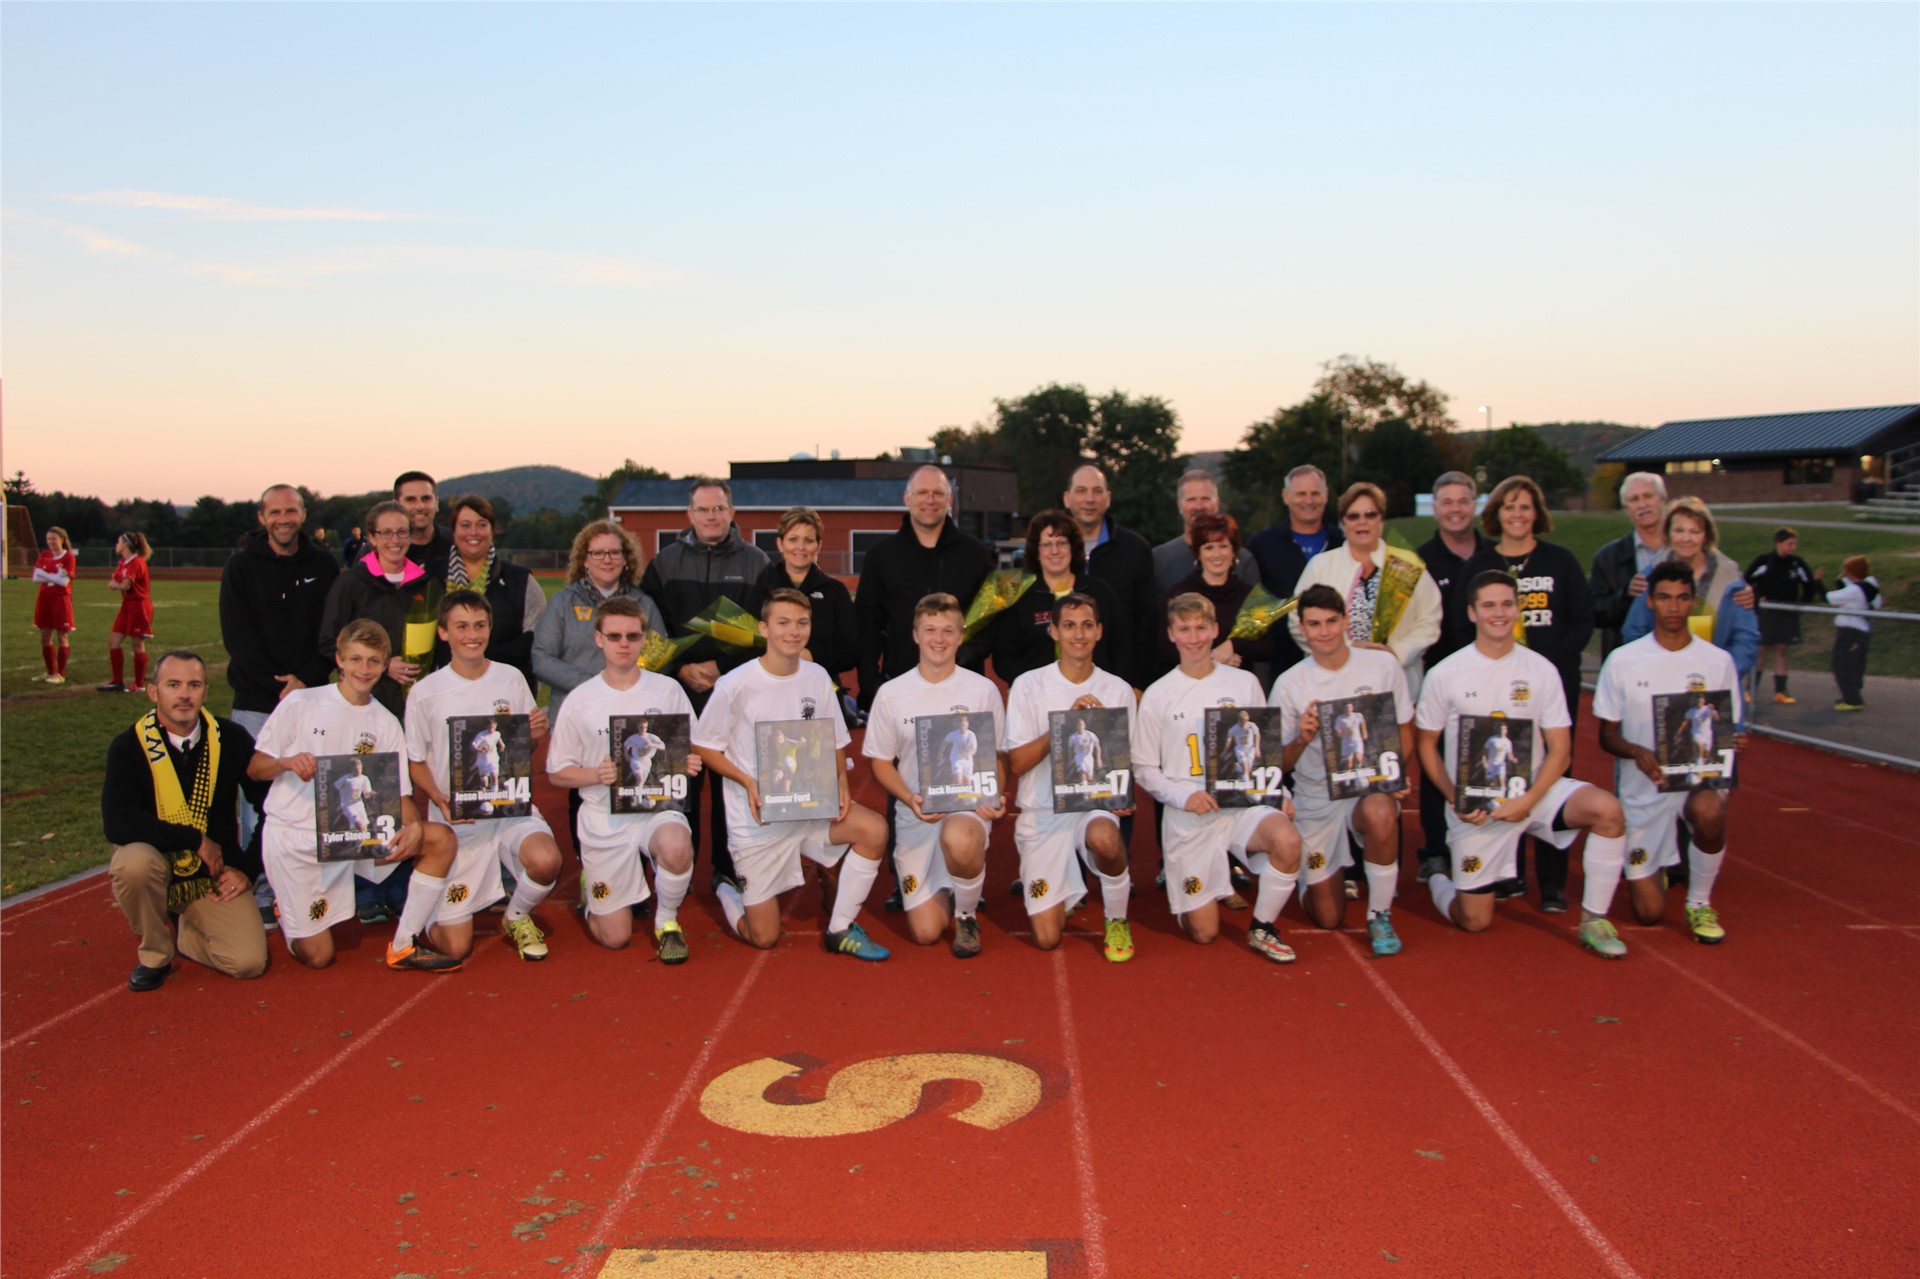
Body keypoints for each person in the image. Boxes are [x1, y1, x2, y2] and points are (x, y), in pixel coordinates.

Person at [1417, 572, 1629, 951]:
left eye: (1506, 604)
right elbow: (1427, 744)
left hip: (1533, 793)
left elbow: (1560, 749)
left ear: (1519, 609)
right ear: (1472, 612)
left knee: (1608, 810)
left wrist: (1527, 801)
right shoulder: (1444, 673)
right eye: (1489, 605)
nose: (1499, 613)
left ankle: (1595, 920)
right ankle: (1438, 878)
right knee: (1475, 921)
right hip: (1476, 806)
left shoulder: (1541, 670)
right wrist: (1454, 796)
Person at [248, 620, 461, 972]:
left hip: (353, 835)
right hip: (298, 837)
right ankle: (287, 909)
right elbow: (255, 767)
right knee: (318, 957)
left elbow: (401, 795)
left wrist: (414, 827)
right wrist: (285, 763)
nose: (364, 669)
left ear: (384, 663)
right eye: (356, 659)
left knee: (438, 839)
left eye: (374, 661)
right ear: (340, 660)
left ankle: (405, 943)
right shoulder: (302, 703)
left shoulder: (386, 722)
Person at [692, 587, 893, 959]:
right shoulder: (735, 684)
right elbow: (704, 745)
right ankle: (726, 888)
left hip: (809, 807)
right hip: (760, 820)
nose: (793, 631)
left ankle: (840, 928)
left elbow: (834, 737)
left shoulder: (817, 676)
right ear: (764, 628)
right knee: (764, 937)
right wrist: (748, 781)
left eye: (802, 623)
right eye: (783, 623)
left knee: (874, 829)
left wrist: (842, 782)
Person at [1445, 475, 1595, 913]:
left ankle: (1551, 882)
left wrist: (1542, 661)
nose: (1517, 514)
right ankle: (1503, 873)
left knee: (1550, 775)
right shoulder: (1480, 564)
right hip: (1493, 694)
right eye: (1509, 506)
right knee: (1495, 775)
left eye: (1525, 507)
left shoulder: (1560, 561)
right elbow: (1460, 623)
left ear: (1537, 513)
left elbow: (1582, 620)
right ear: (1497, 513)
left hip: (1547, 688)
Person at [1138, 593, 1303, 958]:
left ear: (1215, 630)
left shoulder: (1243, 684)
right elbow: (1144, 768)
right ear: (1171, 634)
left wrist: (1280, 794)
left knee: (1288, 840)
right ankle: (1199, 887)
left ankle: (1263, 927)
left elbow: (1262, 753)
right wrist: (1184, 797)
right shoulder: (1159, 694)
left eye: (1201, 628)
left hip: (1242, 804)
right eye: (1185, 629)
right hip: (1191, 814)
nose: (1194, 637)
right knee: (1204, 933)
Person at [1592, 560, 1746, 948]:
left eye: (1681, 598)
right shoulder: (1624, 660)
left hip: (1698, 780)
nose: (1673, 607)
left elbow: (1729, 728)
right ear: (1650, 602)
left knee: (1711, 810)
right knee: (1649, 914)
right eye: (1664, 598)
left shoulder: (1717, 662)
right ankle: (1653, 868)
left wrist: (1735, 741)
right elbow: (1606, 736)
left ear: (1693, 602)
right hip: (1645, 789)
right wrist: (1637, 751)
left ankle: (1699, 902)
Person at [406, 590, 562, 962]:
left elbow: (524, 752)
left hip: (509, 807)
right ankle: (430, 913)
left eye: (479, 625)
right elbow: (414, 761)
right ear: (443, 632)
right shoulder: (424, 693)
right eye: (461, 626)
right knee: (456, 948)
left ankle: (517, 916)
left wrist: (534, 736)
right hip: (459, 817)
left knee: (547, 860)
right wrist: (439, 799)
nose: (471, 634)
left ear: (490, 628)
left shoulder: (511, 679)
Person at [547, 597, 703, 962]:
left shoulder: (667, 690)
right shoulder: (580, 700)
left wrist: (689, 760)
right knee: (614, 937)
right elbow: (556, 772)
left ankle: (667, 923)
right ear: (598, 639)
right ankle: (593, 893)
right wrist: (594, 775)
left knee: (677, 845)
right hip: (605, 816)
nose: (623, 644)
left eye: (632, 636)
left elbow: (689, 743)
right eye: (614, 635)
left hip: (656, 808)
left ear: (644, 639)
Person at [103, 650, 270, 989]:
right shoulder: (128, 746)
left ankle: (185, 935)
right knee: (132, 863)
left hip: (212, 873)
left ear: (205, 692)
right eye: (173, 684)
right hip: (157, 867)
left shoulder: (231, 739)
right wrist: (194, 840)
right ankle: (156, 953)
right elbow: (117, 822)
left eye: (194, 685)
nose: (184, 695)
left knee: (248, 962)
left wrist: (248, 870)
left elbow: (273, 806)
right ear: (154, 692)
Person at [1271, 585, 1414, 957]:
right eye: (1315, 624)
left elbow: (1405, 728)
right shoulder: (1290, 683)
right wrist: (1302, 737)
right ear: (1301, 628)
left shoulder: (1382, 666)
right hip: (1317, 795)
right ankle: (1311, 878)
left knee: (1382, 811)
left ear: (1346, 621)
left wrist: (1394, 772)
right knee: (1328, 916)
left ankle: (1380, 913)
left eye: (1332, 621)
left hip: (1366, 786)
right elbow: (1276, 763)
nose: (1324, 632)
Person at [641, 477, 771, 885]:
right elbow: (650, 628)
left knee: (730, 779)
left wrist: (720, 668)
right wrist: (678, 670)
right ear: (690, 515)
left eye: (719, 509)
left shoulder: (757, 563)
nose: (711, 516)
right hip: (680, 689)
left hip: (734, 689)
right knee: (681, 777)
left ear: (732, 513)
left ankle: (728, 868)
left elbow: (763, 631)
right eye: (703, 509)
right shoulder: (665, 562)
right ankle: (679, 867)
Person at [863, 592, 1007, 958]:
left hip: (966, 809)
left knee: (959, 837)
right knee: (926, 933)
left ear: (961, 636)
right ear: (915, 634)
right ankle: (952, 883)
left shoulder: (982, 690)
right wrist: (908, 798)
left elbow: (997, 757)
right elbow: (880, 761)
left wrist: (994, 795)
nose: (938, 639)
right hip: (917, 813)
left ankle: (967, 913)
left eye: (948, 630)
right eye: (930, 630)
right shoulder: (892, 693)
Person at [1002, 592, 1139, 960]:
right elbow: (1017, 764)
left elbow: (1126, 761)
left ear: (1099, 632)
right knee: (1047, 939)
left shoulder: (1118, 690)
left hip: (1090, 807)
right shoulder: (1028, 685)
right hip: (1042, 811)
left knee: (1106, 837)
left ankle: (1117, 920)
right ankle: (1060, 895)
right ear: (1054, 632)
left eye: (1087, 626)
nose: (1078, 634)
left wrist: (1122, 795)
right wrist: (1061, 724)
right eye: (1069, 625)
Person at [219, 483, 341, 876]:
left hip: (312, 698)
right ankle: (259, 883)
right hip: (257, 702)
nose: (283, 519)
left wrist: (304, 679)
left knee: (313, 792)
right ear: (262, 517)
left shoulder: (323, 566)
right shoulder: (240, 567)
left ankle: (312, 878)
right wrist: (280, 686)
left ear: (303, 514)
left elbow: (331, 634)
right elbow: (238, 638)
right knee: (259, 798)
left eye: (291, 511)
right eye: (275, 512)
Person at [854, 465, 995, 712]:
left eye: (938, 493)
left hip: (962, 689)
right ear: (907, 498)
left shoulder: (976, 555)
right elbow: (867, 622)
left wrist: (968, 654)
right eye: (922, 493)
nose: (930, 500)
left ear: (949, 499)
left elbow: (991, 620)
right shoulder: (881, 556)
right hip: (900, 686)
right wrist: (870, 681)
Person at [1287, 481, 1442, 697]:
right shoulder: (1320, 566)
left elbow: (1429, 620)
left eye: (1370, 514)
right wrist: (1346, 652)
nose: (1363, 522)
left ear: (1381, 519)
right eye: (1353, 516)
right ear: (1342, 523)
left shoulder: (1407, 565)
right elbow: (1297, 621)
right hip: (1333, 687)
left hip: (1397, 683)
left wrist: (1395, 654)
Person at [1413, 472, 1489, 882]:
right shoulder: (1420, 560)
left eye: (1463, 501)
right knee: (1436, 763)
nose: (1456, 509)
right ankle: (1435, 849)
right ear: (1435, 508)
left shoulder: (1494, 555)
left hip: (1491, 677)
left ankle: (1495, 842)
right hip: (1440, 679)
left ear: (1475, 504)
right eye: (1447, 502)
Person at [535, 520, 667, 724]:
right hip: (575, 713)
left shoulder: (644, 604)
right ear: (585, 560)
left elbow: (663, 658)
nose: (607, 559)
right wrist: (594, 685)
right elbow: (542, 659)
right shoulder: (563, 603)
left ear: (625, 559)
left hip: (632, 713)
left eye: (615, 552)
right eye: (598, 553)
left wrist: (629, 686)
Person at [1620, 497, 1759, 680]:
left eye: (1695, 531)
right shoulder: (1649, 576)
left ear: (1706, 535)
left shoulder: (1731, 581)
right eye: (1679, 530)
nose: (1686, 539)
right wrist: (1658, 670)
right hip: (1661, 681)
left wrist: (1724, 673)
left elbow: (1745, 638)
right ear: (1668, 533)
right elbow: (1634, 631)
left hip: (1717, 685)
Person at [317, 501, 434, 717]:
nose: (395, 540)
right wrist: (383, 664)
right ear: (372, 537)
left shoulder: (427, 583)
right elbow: (328, 641)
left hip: (419, 703)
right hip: (366, 702)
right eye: (386, 533)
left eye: (402, 532)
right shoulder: (352, 582)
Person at [991, 509, 1124, 686]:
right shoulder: (1019, 596)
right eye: (1046, 544)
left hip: (1096, 693)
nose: (1055, 551)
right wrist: (1034, 685)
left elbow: (1121, 646)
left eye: (1062, 543)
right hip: (1036, 696)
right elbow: (1004, 656)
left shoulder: (1099, 592)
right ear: (1036, 551)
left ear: (1073, 547)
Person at [430, 495, 547, 695]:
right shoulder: (431, 576)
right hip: (445, 692)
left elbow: (540, 638)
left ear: (493, 530)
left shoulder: (520, 580)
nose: (473, 532)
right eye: (465, 525)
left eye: (481, 524)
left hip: (505, 695)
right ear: (454, 530)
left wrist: (486, 656)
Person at [1064, 464, 1160, 691]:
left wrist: (1138, 683)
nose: (1090, 499)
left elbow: (1147, 623)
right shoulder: (1051, 551)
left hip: (1119, 683)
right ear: (1067, 498)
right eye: (1081, 491)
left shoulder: (1135, 549)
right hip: (1060, 682)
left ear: (1108, 498)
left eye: (1097, 491)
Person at [747, 506, 858, 703]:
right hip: (769, 692)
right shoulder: (762, 588)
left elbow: (850, 652)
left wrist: (812, 655)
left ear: (818, 545)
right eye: (793, 539)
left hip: (821, 694)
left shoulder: (835, 592)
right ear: (780, 544)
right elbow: (748, 642)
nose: (800, 547)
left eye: (808, 540)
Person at [1247, 465, 1344, 675]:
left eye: (1315, 493)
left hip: (1339, 660)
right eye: (1301, 494)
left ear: (1326, 496)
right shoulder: (1262, 545)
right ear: (1286, 496)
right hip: (1281, 664)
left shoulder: (1343, 543)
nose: (1309, 501)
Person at [1163, 513, 1272, 675]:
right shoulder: (1179, 594)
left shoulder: (1251, 596)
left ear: (1234, 551)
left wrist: (1233, 645)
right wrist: (1212, 659)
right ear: (1198, 553)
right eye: (1208, 547)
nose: (1217, 555)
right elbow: (1164, 649)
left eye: (1223, 546)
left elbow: (1268, 646)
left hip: (1239, 689)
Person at [1589, 471, 1671, 658]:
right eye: (1634, 499)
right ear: (1627, 510)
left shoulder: (1684, 549)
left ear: (1663, 499)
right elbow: (1594, 613)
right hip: (1628, 659)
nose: (1642, 504)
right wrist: (1625, 595)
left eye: (1648, 496)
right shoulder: (1607, 558)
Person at [1152, 468, 1258, 596]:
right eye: (1191, 500)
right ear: (1179, 506)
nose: (1199, 506)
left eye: (1205, 499)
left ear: (1217, 504)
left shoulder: (1243, 560)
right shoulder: (1159, 559)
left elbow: (1257, 613)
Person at [1745, 527, 1822, 704]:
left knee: (1781, 650)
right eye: (1789, 544)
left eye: (1794, 544)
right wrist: (1758, 598)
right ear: (1778, 543)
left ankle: (1781, 691)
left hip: (1787, 612)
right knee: (1762, 649)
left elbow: (1809, 584)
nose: (1793, 548)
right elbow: (1747, 581)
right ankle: (1750, 690)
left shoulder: (1796, 563)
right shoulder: (1764, 561)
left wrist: (1802, 603)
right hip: (1767, 612)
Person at [97, 532, 154, 693]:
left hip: (139, 605)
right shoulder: (123, 562)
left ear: (126, 545)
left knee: (137, 644)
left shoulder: (137, 562)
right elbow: (115, 581)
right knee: (113, 641)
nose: (116, 545)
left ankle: (140, 683)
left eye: (118, 542)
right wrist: (117, 584)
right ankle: (117, 681)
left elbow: (125, 585)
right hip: (127, 605)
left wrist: (118, 584)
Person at [1827, 555, 1884, 712]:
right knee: (1855, 664)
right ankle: (1851, 695)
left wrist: (1818, 582)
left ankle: (1853, 700)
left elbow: (1830, 597)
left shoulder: (1855, 590)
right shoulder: (1868, 587)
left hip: (1851, 631)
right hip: (1860, 630)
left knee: (1841, 664)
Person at [31, 526, 78, 684]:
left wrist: (44, 575)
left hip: (60, 600)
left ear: (62, 540)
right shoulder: (44, 555)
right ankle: (51, 671)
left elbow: (64, 582)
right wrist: (54, 577)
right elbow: (35, 578)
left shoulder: (69, 557)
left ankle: (60, 674)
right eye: (48, 538)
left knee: (62, 635)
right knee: (44, 637)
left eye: (54, 539)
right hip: (44, 598)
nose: (51, 542)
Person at [394, 470, 453, 568]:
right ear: (396, 505)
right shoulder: (379, 551)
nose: (419, 506)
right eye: (411, 500)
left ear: (436, 503)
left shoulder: (456, 545)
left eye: (426, 499)